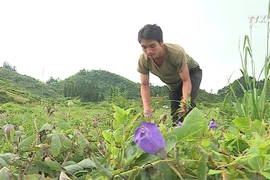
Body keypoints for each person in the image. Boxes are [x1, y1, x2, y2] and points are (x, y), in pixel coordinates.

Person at [137, 24, 202, 125]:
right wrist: (146, 107)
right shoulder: (143, 60)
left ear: (161, 43)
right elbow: (144, 84)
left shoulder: (176, 53)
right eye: (144, 47)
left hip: (191, 74)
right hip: (173, 83)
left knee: (187, 107)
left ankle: (199, 131)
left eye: (152, 46)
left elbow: (185, 80)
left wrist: (185, 99)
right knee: (176, 116)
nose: (148, 51)